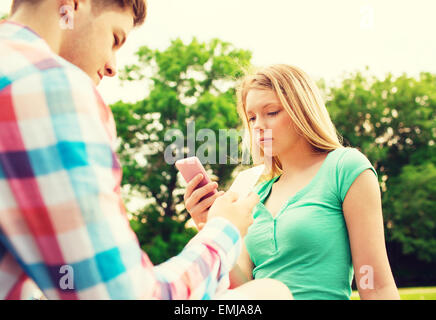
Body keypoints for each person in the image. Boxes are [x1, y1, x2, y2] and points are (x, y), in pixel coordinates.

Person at [0, 0, 293, 300]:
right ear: (71, 6)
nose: (113, 66)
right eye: (115, 39)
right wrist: (223, 230)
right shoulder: (49, 86)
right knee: (271, 294)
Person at [185, 64, 401, 300]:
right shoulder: (255, 192)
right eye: (252, 117)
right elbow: (243, 286)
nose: (258, 126)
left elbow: (375, 283)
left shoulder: (345, 167)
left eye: (272, 112)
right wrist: (213, 228)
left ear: (302, 111)